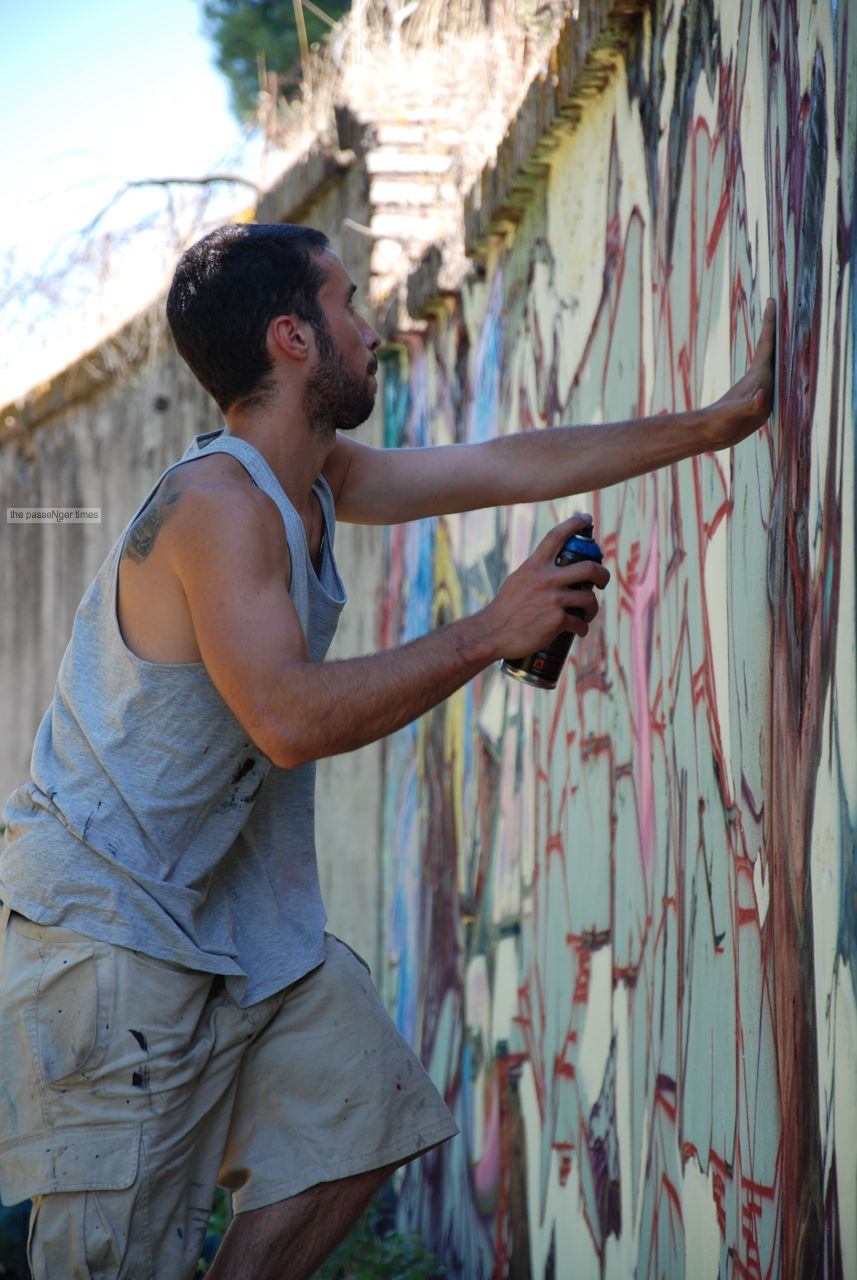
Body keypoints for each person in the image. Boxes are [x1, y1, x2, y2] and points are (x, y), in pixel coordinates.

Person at [0, 223, 776, 1280]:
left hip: (225, 919)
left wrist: (712, 425)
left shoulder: (315, 478)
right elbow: (288, 719)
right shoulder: (216, 509)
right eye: (348, 303)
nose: (371, 330)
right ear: (291, 338)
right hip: (107, 931)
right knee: (114, 1258)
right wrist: (489, 630)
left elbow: (500, 464)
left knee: (365, 1105)